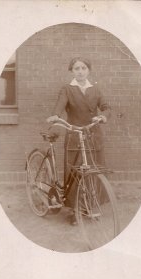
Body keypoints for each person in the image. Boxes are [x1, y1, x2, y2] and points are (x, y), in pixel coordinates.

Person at [47, 57, 111, 225]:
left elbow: (106, 106)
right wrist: (55, 116)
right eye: (76, 68)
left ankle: (90, 206)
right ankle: (75, 210)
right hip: (75, 134)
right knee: (75, 174)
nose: (80, 71)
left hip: (93, 134)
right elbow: (60, 105)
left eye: (83, 68)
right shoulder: (68, 89)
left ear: (88, 70)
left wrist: (103, 116)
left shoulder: (95, 89)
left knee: (93, 172)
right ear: (72, 71)